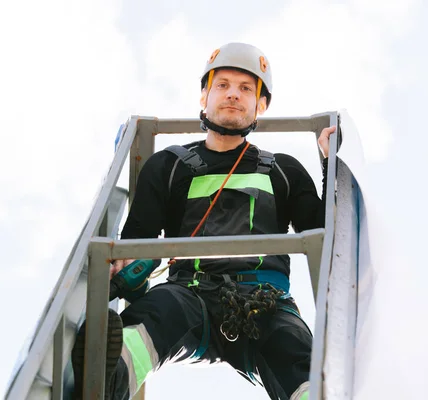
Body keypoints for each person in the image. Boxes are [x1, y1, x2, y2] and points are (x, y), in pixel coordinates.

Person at [72, 42, 336, 400]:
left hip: (266, 302)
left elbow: (325, 234)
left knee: (293, 350)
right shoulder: (168, 166)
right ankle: (108, 377)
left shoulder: (283, 170)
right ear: (204, 96)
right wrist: (123, 272)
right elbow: (138, 241)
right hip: (189, 293)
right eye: (222, 85)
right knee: (156, 316)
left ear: (261, 104)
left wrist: (330, 164)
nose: (233, 95)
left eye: (246, 89)